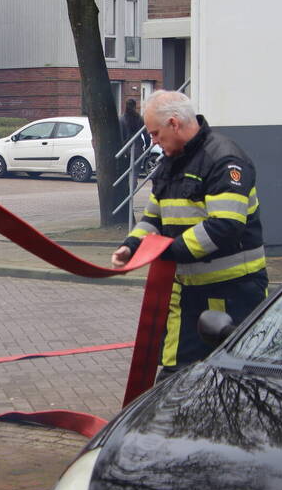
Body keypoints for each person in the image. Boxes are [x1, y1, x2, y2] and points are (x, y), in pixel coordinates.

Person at [111, 91, 267, 377]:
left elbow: (225, 226)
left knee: (233, 377)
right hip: (187, 293)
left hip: (233, 294)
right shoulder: (169, 163)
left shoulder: (224, 159)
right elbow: (154, 217)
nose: (154, 141)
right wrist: (132, 245)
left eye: (156, 134)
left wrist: (166, 251)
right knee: (175, 375)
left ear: (174, 123)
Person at [119, 97, 147, 162]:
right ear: (135, 106)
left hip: (126, 150)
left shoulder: (121, 119)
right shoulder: (139, 118)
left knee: (127, 170)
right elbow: (146, 134)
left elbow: (120, 136)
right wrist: (147, 146)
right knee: (136, 170)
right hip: (138, 149)